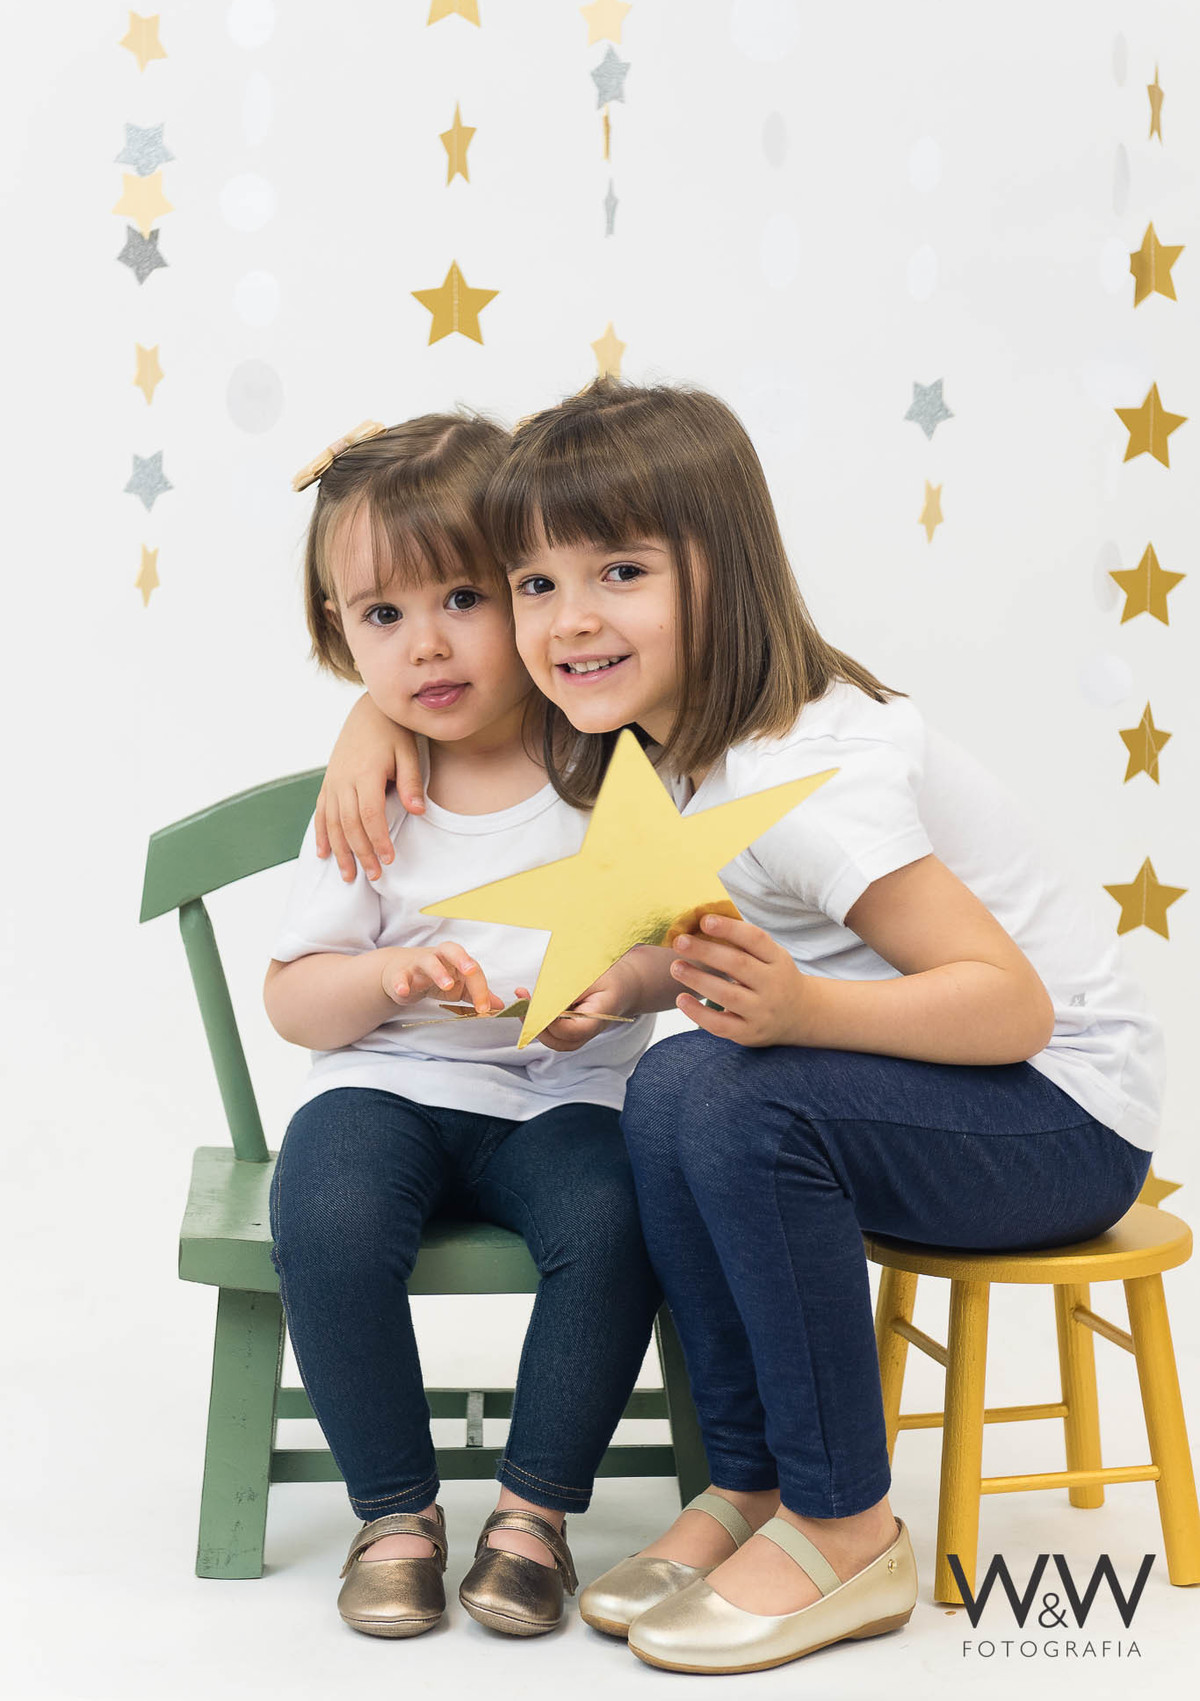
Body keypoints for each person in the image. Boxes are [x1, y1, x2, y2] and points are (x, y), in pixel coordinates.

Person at [314, 379, 1161, 1676]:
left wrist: (803, 1011)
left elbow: (1012, 1005)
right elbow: (474, 700)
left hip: (1056, 1119)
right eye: (533, 584)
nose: (569, 619)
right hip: (923, 1086)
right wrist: (643, 977)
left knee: (719, 1090)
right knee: (676, 1084)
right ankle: (753, 1486)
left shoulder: (806, 780)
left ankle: (846, 1523)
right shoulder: (656, 738)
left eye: (620, 572)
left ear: (727, 571)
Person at [264, 411, 663, 1642]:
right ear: (342, 639)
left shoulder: (608, 758)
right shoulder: (377, 793)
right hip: (391, 1087)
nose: (425, 645)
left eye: (465, 598)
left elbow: (685, 933)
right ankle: (395, 1515)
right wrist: (384, 978)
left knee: (618, 1221)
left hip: (565, 1097)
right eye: (381, 617)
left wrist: (628, 983)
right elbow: (291, 1000)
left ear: (532, 595)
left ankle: (533, 1516)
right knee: (323, 1209)